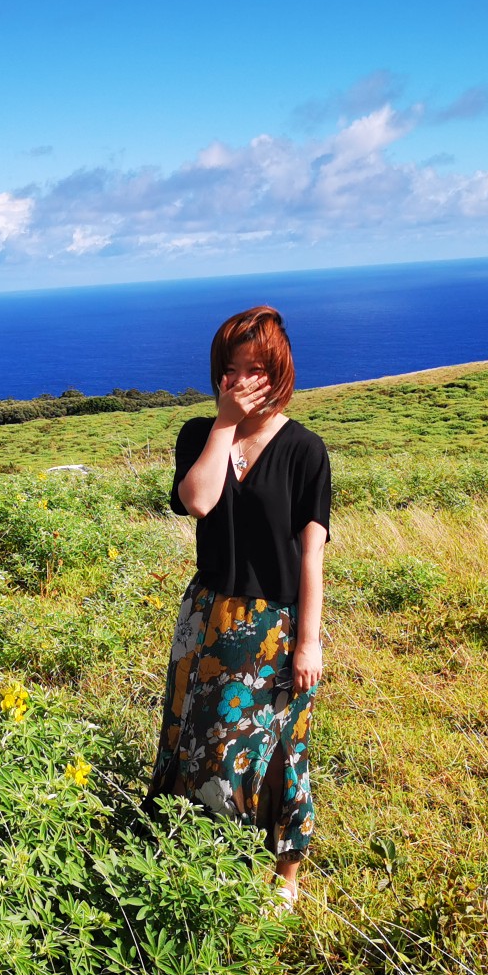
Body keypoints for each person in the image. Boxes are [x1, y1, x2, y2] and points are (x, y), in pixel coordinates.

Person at [149, 305, 332, 909]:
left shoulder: (306, 450)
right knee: (197, 739)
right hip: (206, 615)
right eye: (231, 370)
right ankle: (200, 855)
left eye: (255, 369)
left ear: (279, 371)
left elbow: (312, 556)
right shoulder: (198, 435)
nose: (242, 381)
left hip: (273, 625)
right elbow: (198, 501)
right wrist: (225, 423)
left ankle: (286, 876)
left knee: (278, 746)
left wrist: (310, 641)